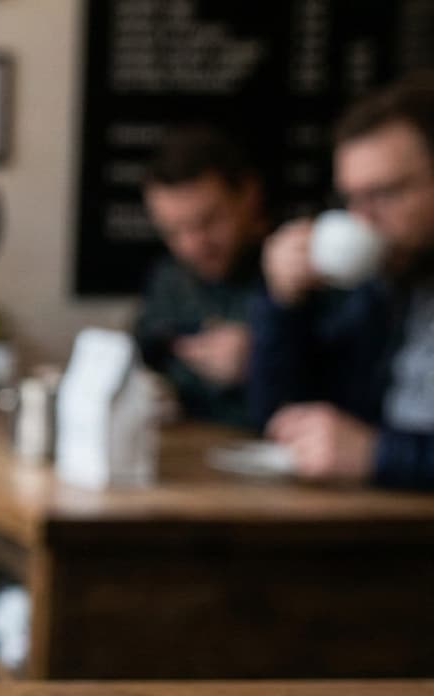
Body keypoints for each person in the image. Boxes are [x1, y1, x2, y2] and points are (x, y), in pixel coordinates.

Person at [251, 76, 434, 488]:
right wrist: (283, 305)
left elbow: (369, 451)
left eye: (385, 193)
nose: (362, 220)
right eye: (352, 199)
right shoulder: (390, 288)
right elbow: (282, 419)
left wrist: (381, 454)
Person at [132, 127, 267, 430]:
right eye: (174, 231)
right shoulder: (169, 278)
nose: (193, 244)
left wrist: (264, 360)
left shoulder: (300, 274)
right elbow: (142, 355)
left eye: (209, 221)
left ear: (248, 195)